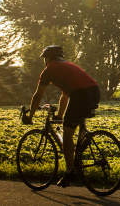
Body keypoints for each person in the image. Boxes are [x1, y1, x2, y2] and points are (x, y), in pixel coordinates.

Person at [23, 45, 100, 187]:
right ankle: (79, 157)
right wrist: (59, 114)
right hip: (94, 91)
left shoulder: (49, 70)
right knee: (74, 123)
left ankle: (70, 172)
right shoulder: (68, 66)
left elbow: (37, 95)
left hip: (80, 95)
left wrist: (30, 116)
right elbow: (65, 95)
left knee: (67, 134)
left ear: (48, 58)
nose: (44, 61)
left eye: (45, 58)